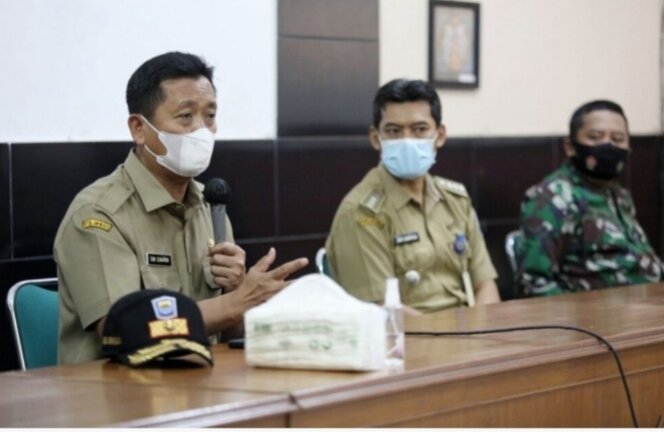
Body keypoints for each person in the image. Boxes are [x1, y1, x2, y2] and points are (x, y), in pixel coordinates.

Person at [54, 52, 308, 364]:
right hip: (115, 387)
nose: (202, 130)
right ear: (139, 128)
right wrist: (236, 303)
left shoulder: (210, 207)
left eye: (210, 116)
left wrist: (239, 291)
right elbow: (121, 329)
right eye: (186, 116)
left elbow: (228, 338)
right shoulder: (98, 214)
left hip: (202, 380)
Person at [325, 79, 500, 314]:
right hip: (405, 334)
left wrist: (481, 330)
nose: (407, 140)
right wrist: (458, 334)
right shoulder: (361, 212)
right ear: (376, 138)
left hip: (468, 328)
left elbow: (485, 285)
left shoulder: (455, 200)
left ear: (440, 135)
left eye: (419, 129)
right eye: (393, 131)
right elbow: (381, 310)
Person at [518, 100, 662, 297]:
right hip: (598, 314)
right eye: (595, 137)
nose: (608, 145)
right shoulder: (553, 197)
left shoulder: (619, 195)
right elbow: (533, 284)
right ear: (570, 146)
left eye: (618, 138)